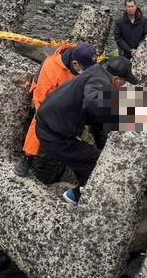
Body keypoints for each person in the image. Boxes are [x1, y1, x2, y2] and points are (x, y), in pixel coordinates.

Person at [35, 56, 138, 205]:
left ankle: (76, 194)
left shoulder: (96, 71)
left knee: (86, 158)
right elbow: (92, 104)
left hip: (51, 126)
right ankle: (77, 196)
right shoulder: (102, 83)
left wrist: (104, 146)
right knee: (96, 162)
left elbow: (97, 123)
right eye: (125, 82)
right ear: (116, 80)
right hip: (54, 135)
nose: (124, 85)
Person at [14, 42, 98, 177]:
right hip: (47, 98)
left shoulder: (80, 57)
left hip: (69, 93)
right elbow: (41, 102)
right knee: (39, 121)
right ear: (75, 64)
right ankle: (28, 157)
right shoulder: (51, 70)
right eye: (86, 68)